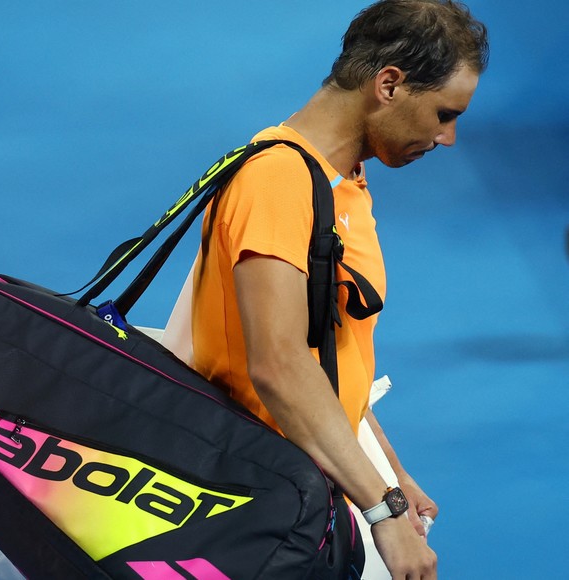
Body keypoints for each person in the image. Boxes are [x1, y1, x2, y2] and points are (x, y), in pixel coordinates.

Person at [188, 0, 488, 578]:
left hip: (312, 482)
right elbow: (278, 365)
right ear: (390, 84)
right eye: (444, 114)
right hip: (255, 507)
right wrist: (385, 515)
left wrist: (390, 470)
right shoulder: (278, 181)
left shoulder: (343, 180)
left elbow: (326, 350)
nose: (447, 138)